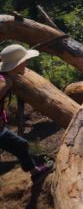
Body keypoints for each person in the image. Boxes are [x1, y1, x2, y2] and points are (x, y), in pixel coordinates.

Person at [0, 44, 54, 183]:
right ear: (16, 64)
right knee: (20, 144)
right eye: (24, 60)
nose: (27, 63)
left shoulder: (6, 78)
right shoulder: (4, 82)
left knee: (20, 145)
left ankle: (35, 172)